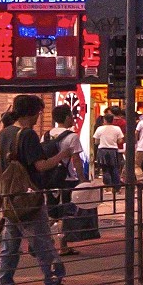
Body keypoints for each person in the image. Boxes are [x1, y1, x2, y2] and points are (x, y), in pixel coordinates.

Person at [0, 95, 77, 285]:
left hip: (11, 197)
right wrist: (62, 155)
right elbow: (40, 166)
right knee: (43, 244)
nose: (39, 117)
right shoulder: (28, 135)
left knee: (10, 246)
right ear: (32, 112)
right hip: (29, 197)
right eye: (39, 112)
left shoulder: (5, 133)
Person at [47, 105, 86, 256]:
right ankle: (63, 246)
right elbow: (76, 160)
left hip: (51, 178)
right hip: (67, 178)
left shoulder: (47, 134)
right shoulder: (72, 136)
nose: (73, 118)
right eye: (70, 115)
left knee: (52, 212)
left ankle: (40, 239)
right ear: (65, 117)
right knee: (64, 213)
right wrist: (82, 180)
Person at [93, 110, 124, 196]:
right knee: (114, 169)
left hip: (102, 150)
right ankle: (117, 188)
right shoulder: (117, 128)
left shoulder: (100, 129)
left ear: (104, 120)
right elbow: (121, 140)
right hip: (113, 150)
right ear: (112, 120)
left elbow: (96, 141)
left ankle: (108, 188)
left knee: (105, 169)